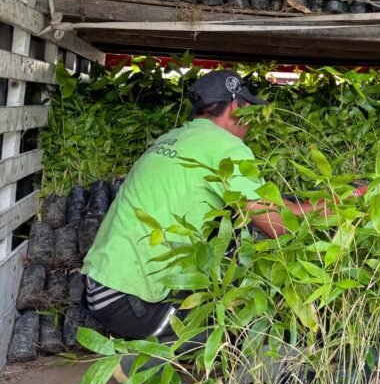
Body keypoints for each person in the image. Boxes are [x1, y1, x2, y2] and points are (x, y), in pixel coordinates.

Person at [82, 69, 334, 346]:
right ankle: (149, 360)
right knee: (253, 329)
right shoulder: (226, 148)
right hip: (137, 304)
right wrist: (341, 205)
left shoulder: (174, 137)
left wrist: (303, 201)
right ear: (237, 107)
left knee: (231, 225)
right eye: (250, 111)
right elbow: (281, 225)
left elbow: (268, 204)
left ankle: (148, 342)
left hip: (101, 289)